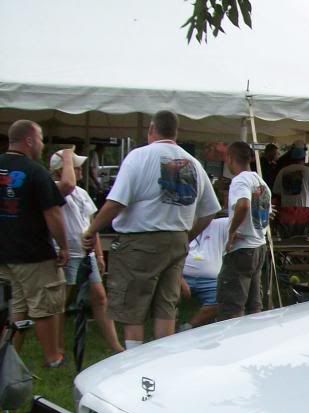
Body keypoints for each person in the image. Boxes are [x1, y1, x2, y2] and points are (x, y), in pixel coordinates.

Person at [82, 110, 220, 348]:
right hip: (177, 239)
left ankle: (134, 362)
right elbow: (210, 211)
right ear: (176, 132)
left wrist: (91, 229)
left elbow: (116, 202)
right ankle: (162, 360)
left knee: (133, 304)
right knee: (165, 305)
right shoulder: (194, 163)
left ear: (151, 130)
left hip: (140, 241)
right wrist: (187, 237)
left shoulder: (139, 156)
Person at [0, 121, 70, 368]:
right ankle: (53, 357)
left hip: (4, 253)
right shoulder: (36, 171)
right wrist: (63, 246)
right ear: (29, 140)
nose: (41, 144)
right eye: (40, 139)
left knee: (16, 307)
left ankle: (7, 355)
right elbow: (53, 214)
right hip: (33, 254)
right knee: (44, 307)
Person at [50, 150, 122, 353]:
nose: (80, 170)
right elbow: (67, 186)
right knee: (60, 302)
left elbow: (91, 225)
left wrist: (98, 254)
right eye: (74, 167)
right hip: (65, 254)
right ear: (60, 171)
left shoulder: (81, 193)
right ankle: (57, 348)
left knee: (100, 297)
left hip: (85, 254)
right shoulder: (54, 189)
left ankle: (115, 346)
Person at [220, 142, 271, 321]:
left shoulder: (240, 180)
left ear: (230, 158)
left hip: (243, 247)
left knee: (232, 307)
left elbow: (243, 204)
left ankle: (233, 344)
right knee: (254, 304)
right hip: (259, 245)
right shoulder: (260, 181)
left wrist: (232, 230)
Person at [179, 217, 229, 330]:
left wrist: (262, 212)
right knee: (167, 297)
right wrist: (179, 279)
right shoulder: (178, 226)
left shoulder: (219, 224)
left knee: (221, 299)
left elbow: (244, 213)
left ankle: (187, 327)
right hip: (180, 276)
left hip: (210, 280)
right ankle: (169, 331)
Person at [272, 143, 309, 223]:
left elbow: (276, 190)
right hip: (306, 213)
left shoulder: (283, 171)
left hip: (287, 213)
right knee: (304, 235)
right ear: (303, 158)